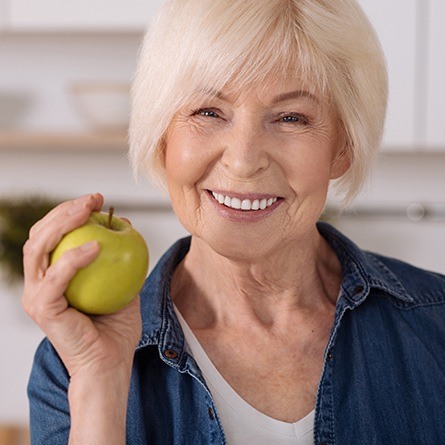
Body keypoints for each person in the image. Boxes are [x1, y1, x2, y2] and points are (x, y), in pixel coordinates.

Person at [22, 0, 445, 444]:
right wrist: (101, 383)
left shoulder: (436, 324)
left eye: (290, 117)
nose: (243, 161)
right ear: (163, 134)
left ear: (343, 146)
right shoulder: (73, 366)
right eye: (208, 112)